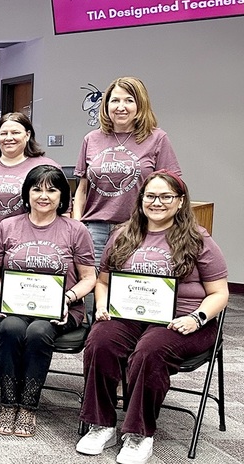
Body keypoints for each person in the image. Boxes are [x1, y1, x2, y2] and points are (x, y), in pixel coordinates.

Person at [76, 172, 228, 464]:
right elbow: (104, 281)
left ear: (180, 201)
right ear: (141, 199)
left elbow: (219, 293)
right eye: (150, 196)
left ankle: (138, 433)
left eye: (166, 196)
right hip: (132, 314)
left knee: (150, 350)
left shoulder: (198, 239)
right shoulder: (122, 234)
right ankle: (101, 424)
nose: (157, 202)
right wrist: (104, 305)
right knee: (100, 340)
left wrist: (196, 318)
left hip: (186, 319)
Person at [0, 165, 95, 437]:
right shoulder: (7, 226)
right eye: (36, 188)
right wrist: (2, 294)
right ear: (27, 193)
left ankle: (29, 406)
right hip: (17, 306)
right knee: (10, 328)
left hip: (60, 310)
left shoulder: (75, 229)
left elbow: (89, 278)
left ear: (62, 196)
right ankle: (9, 403)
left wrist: (68, 298)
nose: (43, 195)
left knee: (38, 331)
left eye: (52, 189)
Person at [0, 112, 59, 376]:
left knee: (10, 311)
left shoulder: (44, 165)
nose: (9, 137)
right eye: (3, 132)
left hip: (24, 248)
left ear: (28, 135)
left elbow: (57, 209)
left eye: (16, 131)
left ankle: (12, 370)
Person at [73, 77, 180, 263]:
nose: (120, 107)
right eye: (115, 100)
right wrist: (76, 226)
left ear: (140, 104)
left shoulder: (157, 138)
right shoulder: (91, 139)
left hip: (138, 227)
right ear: (106, 105)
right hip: (95, 229)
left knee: (128, 287)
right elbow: (82, 189)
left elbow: (171, 188)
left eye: (129, 100)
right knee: (92, 287)